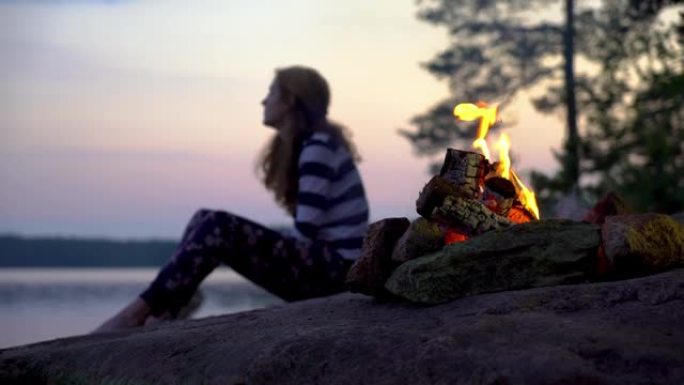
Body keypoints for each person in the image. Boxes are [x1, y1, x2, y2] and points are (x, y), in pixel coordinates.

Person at [95, 66, 369, 331]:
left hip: (336, 273)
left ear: (289, 100)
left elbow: (306, 231)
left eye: (271, 93)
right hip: (328, 267)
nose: (263, 100)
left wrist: (250, 239)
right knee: (205, 218)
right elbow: (305, 233)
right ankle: (164, 311)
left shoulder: (318, 147)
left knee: (218, 226)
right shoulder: (315, 144)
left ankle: (137, 313)